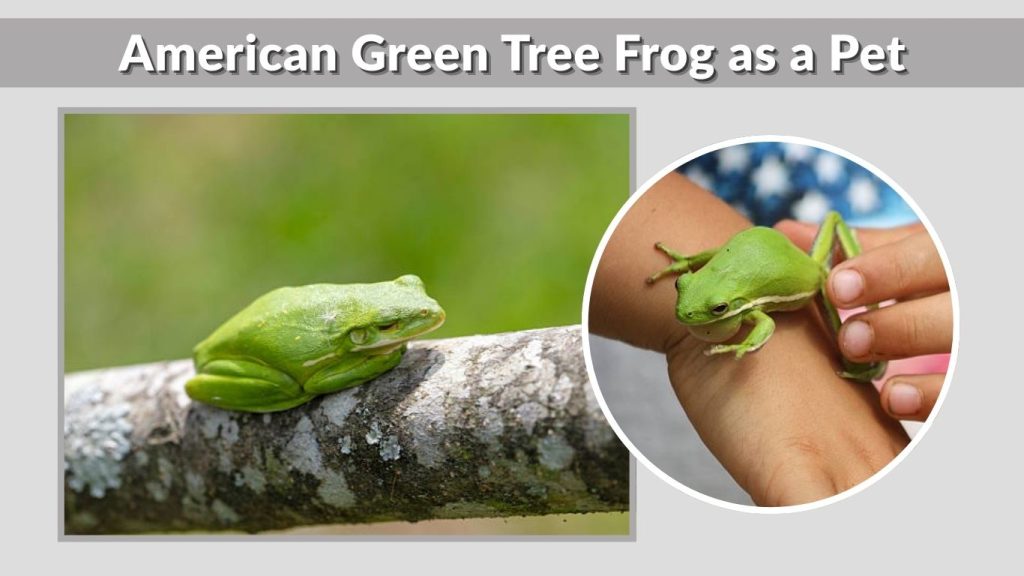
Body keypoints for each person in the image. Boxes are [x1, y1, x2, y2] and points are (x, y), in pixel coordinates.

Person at [589, 173, 952, 506]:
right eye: (684, 287)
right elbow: (708, 259)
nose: (683, 309)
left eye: (716, 309)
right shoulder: (708, 292)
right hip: (651, 401)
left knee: (858, 349)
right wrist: (689, 267)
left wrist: (744, 346)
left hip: (812, 287)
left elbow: (764, 325)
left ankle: (867, 358)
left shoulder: (749, 308)